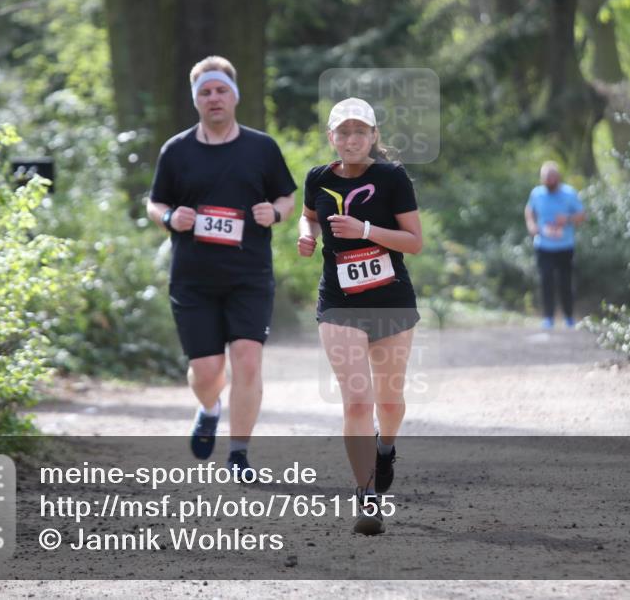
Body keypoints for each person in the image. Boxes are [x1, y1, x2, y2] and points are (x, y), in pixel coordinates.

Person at [147, 56, 297, 479]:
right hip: (193, 278)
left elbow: (287, 196)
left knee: (247, 360)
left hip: (249, 274)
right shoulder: (176, 151)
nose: (214, 98)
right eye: (205, 93)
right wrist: (168, 218)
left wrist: (277, 213)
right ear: (196, 100)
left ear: (235, 96)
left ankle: (239, 454)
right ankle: (209, 407)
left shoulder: (261, 147)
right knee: (207, 371)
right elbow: (154, 202)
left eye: (220, 90)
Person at [297, 97, 423, 535]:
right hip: (339, 302)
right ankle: (366, 496)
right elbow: (308, 216)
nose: (351, 139)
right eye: (343, 132)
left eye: (360, 131)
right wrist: (305, 236)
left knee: (389, 401)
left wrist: (366, 231)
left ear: (373, 137)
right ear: (331, 138)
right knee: (357, 400)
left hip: (389, 300)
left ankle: (385, 447)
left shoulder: (392, 177)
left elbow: (413, 242)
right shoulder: (317, 177)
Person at [524, 161, 585, 329]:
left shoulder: (569, 193)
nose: (550, 181)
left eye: (553, 177)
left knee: (565, 282)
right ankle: (548, 317)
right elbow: (529, 210)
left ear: (558, 177)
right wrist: (531, 225)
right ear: (542, 179)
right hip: (543, 246)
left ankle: (568, 317)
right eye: (546, 178)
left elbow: (582, 215)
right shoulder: (537, 194)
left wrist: (567, 219)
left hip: (565, 246)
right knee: (546, 281)